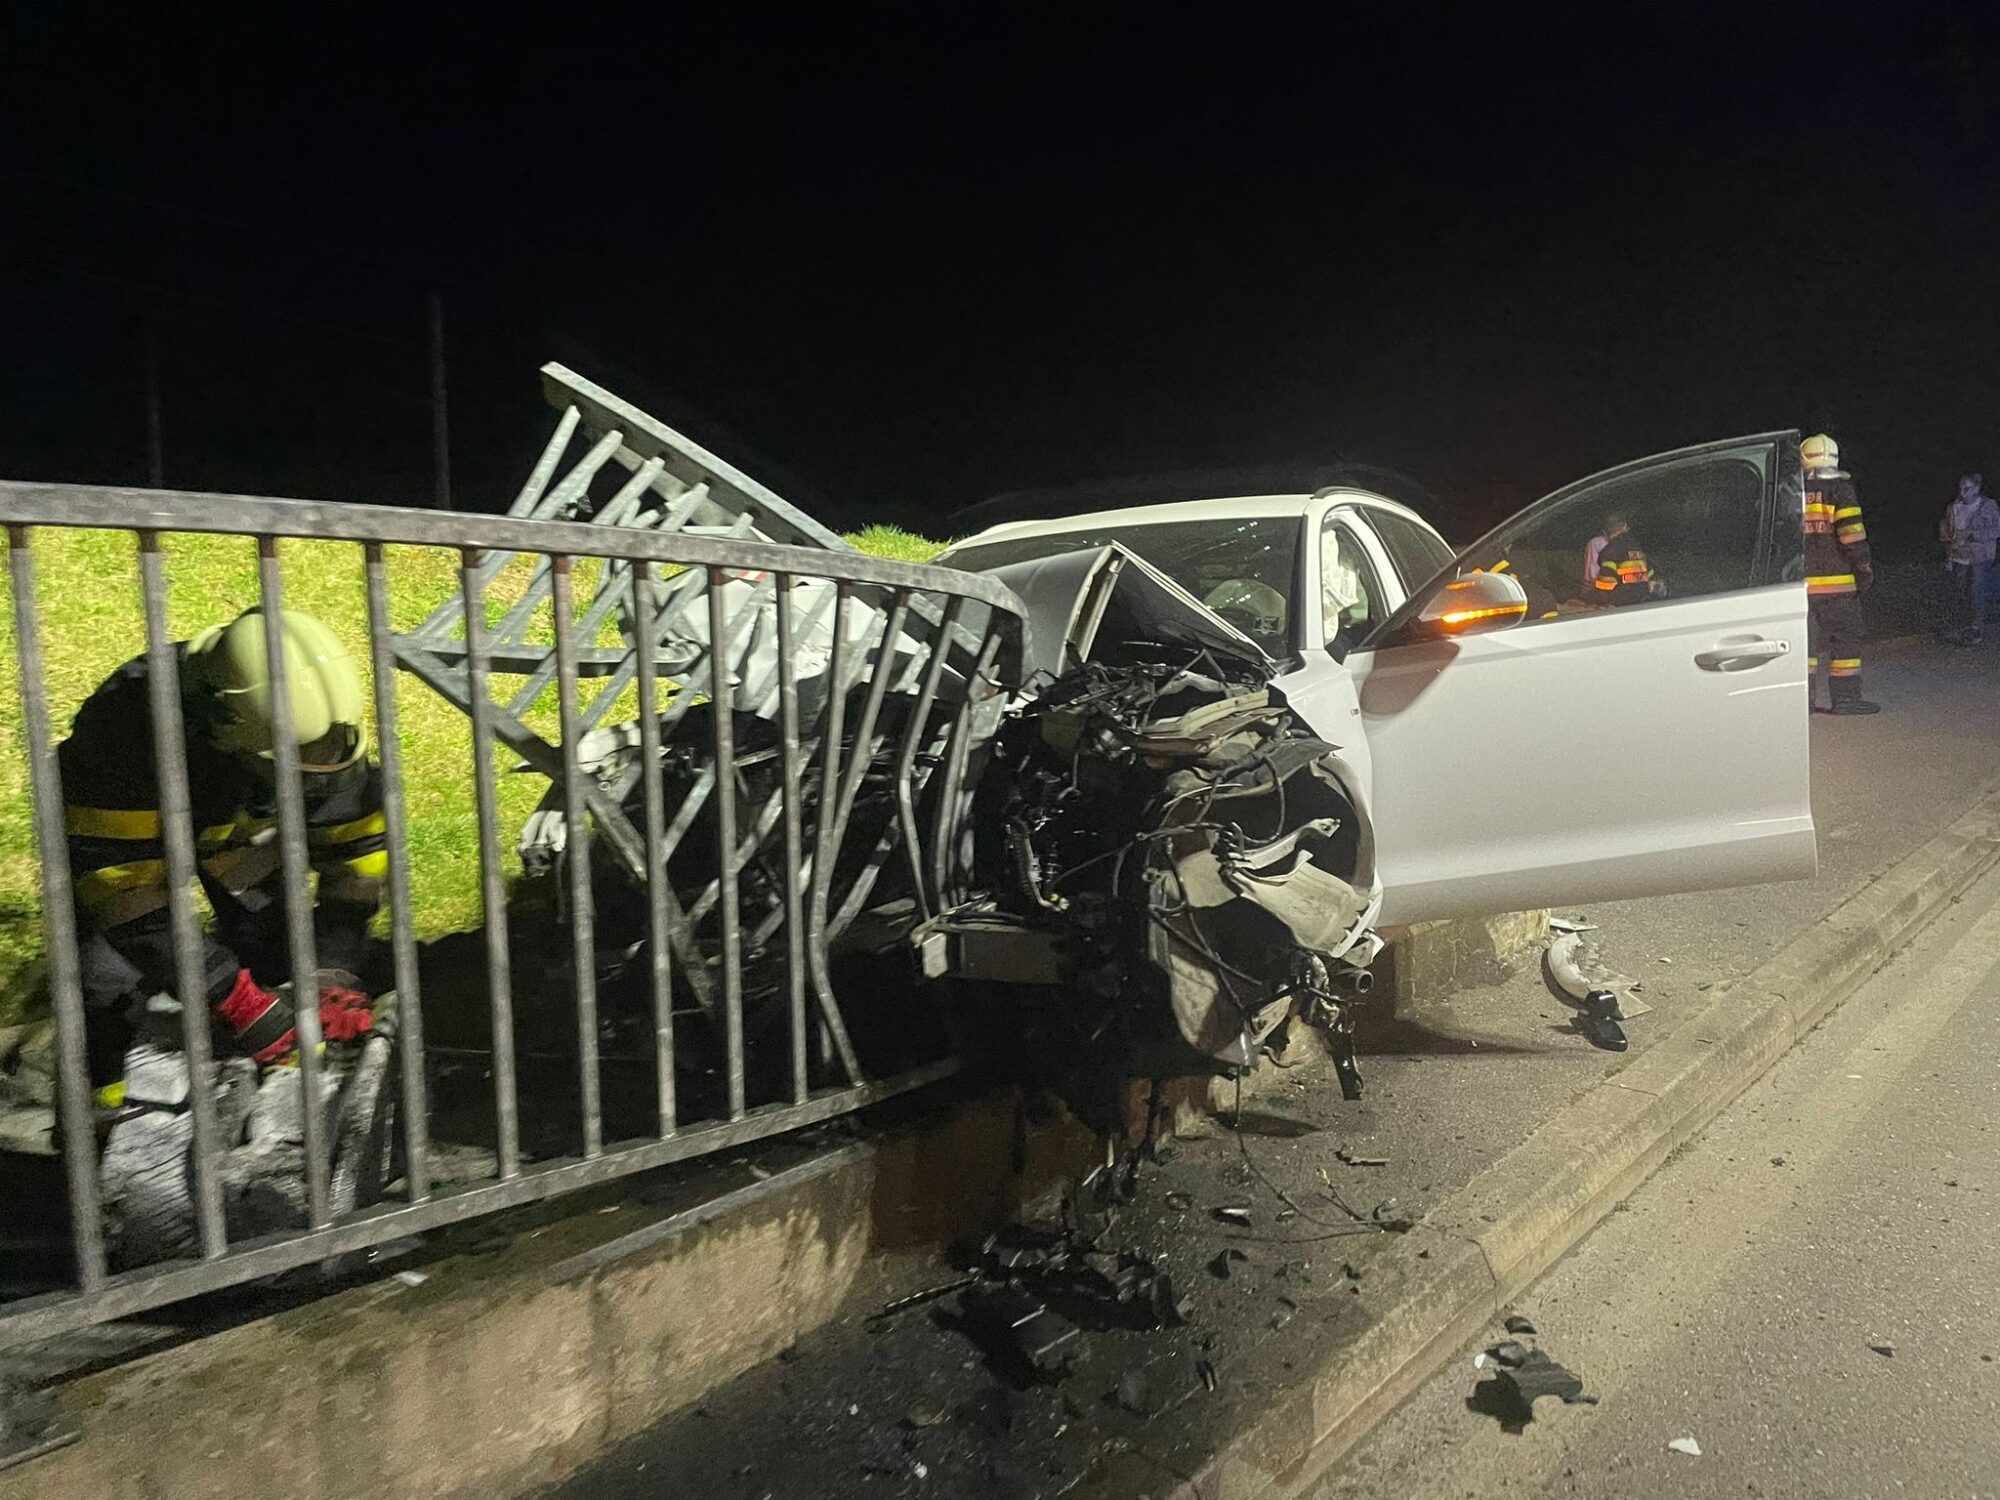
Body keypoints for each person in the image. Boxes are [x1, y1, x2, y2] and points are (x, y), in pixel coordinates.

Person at [59, 607, 387, 1118]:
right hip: (128, 838)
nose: (318, 772)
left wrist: (332, 969)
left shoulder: (316, 732)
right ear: (226, 731)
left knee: (273, 949)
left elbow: (357, 854)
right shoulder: (122, 735)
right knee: (110, 979)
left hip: (238, 834)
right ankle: (102, 1115)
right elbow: (121, 892)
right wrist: (238, 1001)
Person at [1800, 433, 1877, 714]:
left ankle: (1803, 701)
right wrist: (1863, 567)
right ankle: (1846, 699)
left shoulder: (1790, 491)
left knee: (1804, 646)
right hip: (1839, 587)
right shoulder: (1841, 490)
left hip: (1801, 587)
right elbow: (1852, 534)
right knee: (1845, 641)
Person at [1939, 472, 2000, 645]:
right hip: (1958, 556)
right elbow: (1948, 531)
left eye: (1967, 489)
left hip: (1980, 556)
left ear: (1977, 488)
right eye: (1961, 488)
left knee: (1976, 591)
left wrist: (1972, 535)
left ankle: (1976, 628)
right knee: (1958, 591)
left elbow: (1996, 530)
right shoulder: (1954, 507)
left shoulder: (1987, 506)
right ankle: (1959, 626)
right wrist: (1949, 548)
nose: (1963, 493)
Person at [1588, 514, 1662, 606]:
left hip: (1622, 606)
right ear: (1625, 527)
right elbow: (1651, 576)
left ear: (1605, 532)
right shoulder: (1637, 548)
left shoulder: (1610, 551)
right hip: (1642, 602)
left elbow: (1606, 586)